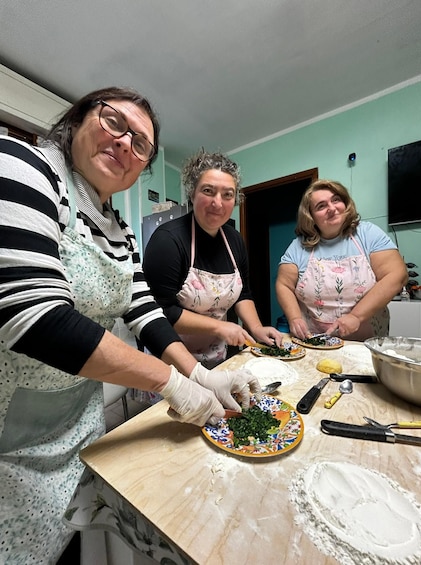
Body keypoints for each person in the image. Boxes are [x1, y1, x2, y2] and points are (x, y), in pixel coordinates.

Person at [0, 87, 261, 563]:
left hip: (76, 424)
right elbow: (33, 318)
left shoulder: (116, 226)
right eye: (113, 122)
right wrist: (172, 383)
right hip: (9, 438)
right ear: (77, 121)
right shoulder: (21, 165)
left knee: (69, 543)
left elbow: (144, 311)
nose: (125, 143)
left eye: (140, 144)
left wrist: (199, 374)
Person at [143, 149, 283, 369]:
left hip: (217, 357)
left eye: (227, 194)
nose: (218, 203)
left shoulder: (234, 240)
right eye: (208, 191)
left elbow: (243, 294)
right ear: (192, 193)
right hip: (171, 361)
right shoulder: (168, 240)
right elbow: (160, 310)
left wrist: (256, 327)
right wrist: (218, 327)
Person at [276, 179, 408, 341]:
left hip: (366, 341)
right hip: (315, 341)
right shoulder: (298, 246)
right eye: (321, 206)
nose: (331, 208)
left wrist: (356, 316)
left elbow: (397, 275)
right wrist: (295, 318)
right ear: (310, 216)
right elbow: (284, 285)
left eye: (336, 200)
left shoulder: (368, 234)